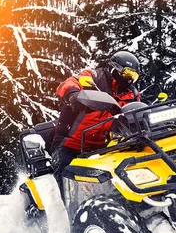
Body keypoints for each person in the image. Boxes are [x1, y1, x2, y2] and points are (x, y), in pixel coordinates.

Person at [51, 51, 142, 198]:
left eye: (133, 76)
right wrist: (73, 94)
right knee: (64, 174)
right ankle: (62, 212)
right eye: (127, 74)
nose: (129, 80)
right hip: (71, 144)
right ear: (114, 69)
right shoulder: (94, 77)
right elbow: (68, 84)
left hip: (104, 147)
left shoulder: (132, 94)